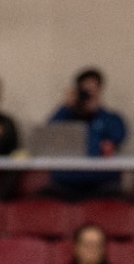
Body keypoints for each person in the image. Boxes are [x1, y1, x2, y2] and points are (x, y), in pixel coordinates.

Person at [48, 68, 129, 200]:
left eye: (93, 90)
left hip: (103, 182)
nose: (88, 94)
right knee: (43, 197)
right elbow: (48, 134)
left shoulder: (110, 118)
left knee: (120, 197)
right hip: (65, 182)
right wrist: (65, 107)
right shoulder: (66, 117)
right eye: (84, 90)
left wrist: (98, 111)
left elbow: (119, 136)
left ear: (100, 90)